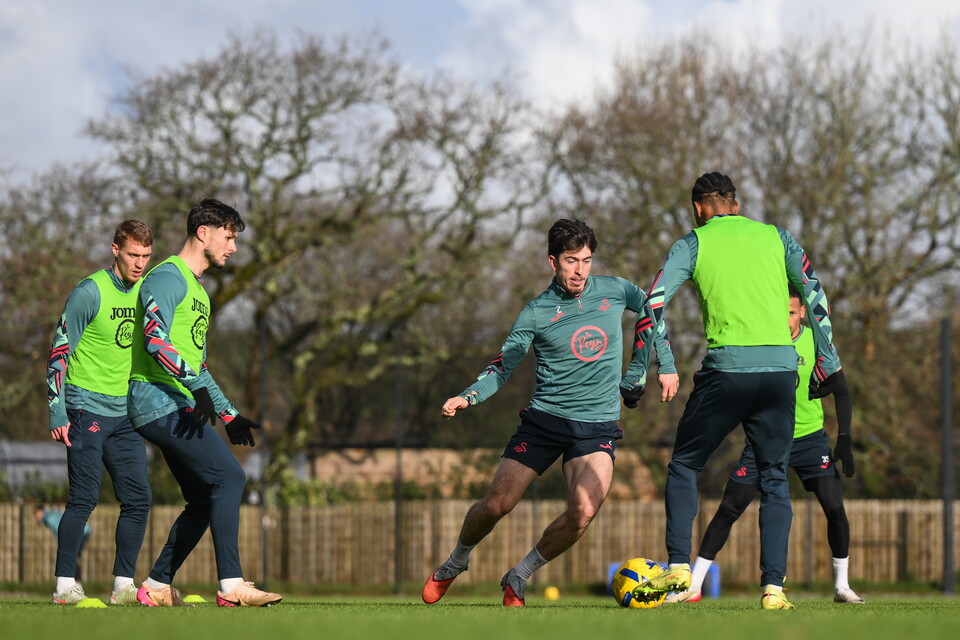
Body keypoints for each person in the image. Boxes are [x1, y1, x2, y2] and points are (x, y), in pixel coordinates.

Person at [421, 218, 679, 607]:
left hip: (596, 427)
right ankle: (455, 562)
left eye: (587, 260)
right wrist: (468, 396)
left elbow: (652, 317)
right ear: (552, 262)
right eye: (571, 260)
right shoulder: (536, 312)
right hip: (545, 422)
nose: (580, 270)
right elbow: (502, 365)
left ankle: (519, 575)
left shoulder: (616, 290)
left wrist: (667, 364)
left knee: (583, 511)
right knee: (496, 505)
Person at [624, 172, 844, 610]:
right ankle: (773, 590)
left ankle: (680, 568)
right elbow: (815, 296)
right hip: (783, 372)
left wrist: (636, 374)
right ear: (736, 205)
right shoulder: (777, 238)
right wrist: (828, 362)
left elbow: (652, 302)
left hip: (728, 371)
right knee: (775, 479)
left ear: (698, 209)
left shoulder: (692, 243)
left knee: (685, 464)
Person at [127, 198, 281, 608]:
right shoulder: (168, 277)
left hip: (177, 401)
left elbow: (199, 365)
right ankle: (232, 587)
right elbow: (154, 339)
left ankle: (156, 586)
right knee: (230, 479)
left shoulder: (199, 291)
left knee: (203, 499)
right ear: (203, 232)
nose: (233, 247)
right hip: (156, 400)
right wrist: (189, 383)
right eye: (228, 237)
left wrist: (229, 414)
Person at [665, 288, 863, 604]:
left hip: (809, 440)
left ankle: (842, 586)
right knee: (730, 507)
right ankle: (694, 584)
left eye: (792, 312)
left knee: (835, 506)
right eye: (779, 311)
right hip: (765, 441)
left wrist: (845, 438)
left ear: (802, 314)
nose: (785, 318)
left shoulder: (817, 341)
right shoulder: (760, 343)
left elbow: (841, 388)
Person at [45, 219, 154, 605]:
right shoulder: (89, 292)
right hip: (83, 407)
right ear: (115, 251)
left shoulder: (146, 292)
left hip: (124, 413)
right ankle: (64, 587)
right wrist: (56, 410)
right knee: (84, 498)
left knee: (138, 497)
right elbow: (60, 350)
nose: (139, 263)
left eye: (146, 256)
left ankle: (123, 586)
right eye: (132, 255)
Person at [34, 507, 92, 583]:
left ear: (40, 511)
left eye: (36, 514)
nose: (36, 518)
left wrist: (63, 543)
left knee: (71, 558)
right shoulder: (51, 514)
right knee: (72, 558)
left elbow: (58, 529)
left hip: (80, 533)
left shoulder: (49, 518)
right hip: (82, 532)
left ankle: (76, 583)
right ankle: (75, 583)